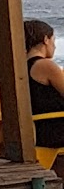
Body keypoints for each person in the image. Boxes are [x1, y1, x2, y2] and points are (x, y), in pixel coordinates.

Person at [26, 19, 64, 151]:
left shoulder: (21, 65)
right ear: (46, 39)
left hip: (36, 127)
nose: (54, 46)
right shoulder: (45, 65)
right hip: (53, 130)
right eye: (54, 40)